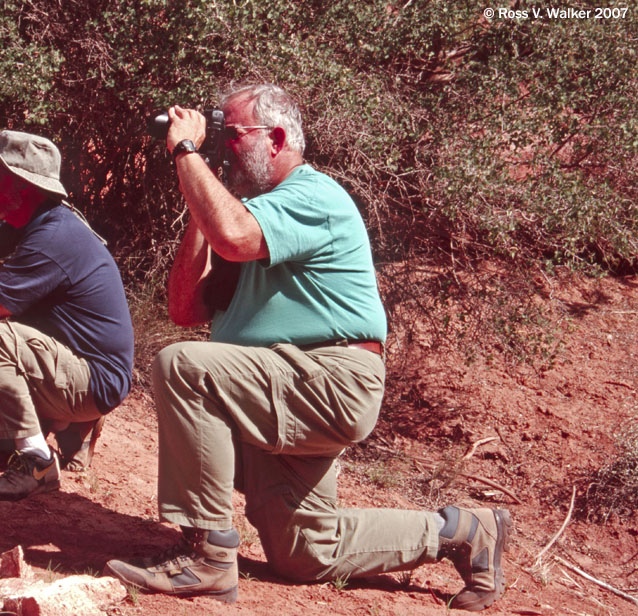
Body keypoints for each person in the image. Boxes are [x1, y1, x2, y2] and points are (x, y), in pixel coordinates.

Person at [103, 85, 510, 611]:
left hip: (330, 380)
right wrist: (197, 203)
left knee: (184, 365)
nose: (221, 147)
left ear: (275, 139)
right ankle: (463, 531)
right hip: (282, 388)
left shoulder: (312, 196)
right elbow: (185, 309)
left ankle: (206, 554)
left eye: (230, 135)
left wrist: (186, 153)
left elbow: (231, 237)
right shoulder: (250, 214)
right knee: (304, 554)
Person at [0, 130, 134, 501]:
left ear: (23, 187)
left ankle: (36, 460)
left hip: (92, 375)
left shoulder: (56, 235)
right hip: (63, 361)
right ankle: (63, 422)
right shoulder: (31, 222)